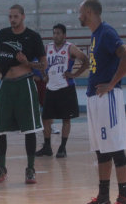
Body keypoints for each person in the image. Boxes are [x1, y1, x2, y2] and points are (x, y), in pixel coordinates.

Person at [76, 0, 126, 204]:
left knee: (116, 148)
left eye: (80, 12)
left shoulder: (107, 32)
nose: (78, 16)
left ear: (89, 12)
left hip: (108, 98)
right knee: (101, 150)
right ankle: (103, 198)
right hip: (95, 98)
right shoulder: (95, 35)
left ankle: (124, 200)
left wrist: (111, 84)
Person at [0, 4, 47, 184]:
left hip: (25, 84)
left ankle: (30, 169)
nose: (12, 20)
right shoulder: (3, 34)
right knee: (0, 130)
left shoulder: (33, 37)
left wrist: (28, 62)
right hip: (6, 85)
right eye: (10, 17)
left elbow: (43, 65)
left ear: (23, 16)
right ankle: (1, 169)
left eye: (15, 16)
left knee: (30, 129)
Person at [36, 23, 89, 158]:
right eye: (54, 33)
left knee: (66, 119)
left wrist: (75, 74)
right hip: (50, 88)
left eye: (59, 33)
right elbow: (41, 63)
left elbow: (86, 61)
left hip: (66, 88)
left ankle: (62, 147)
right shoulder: (47, 47)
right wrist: (44, 75)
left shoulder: (70, 48)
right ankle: (47, 146)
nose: (56, 35)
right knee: (46, 118)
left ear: (64, 35)